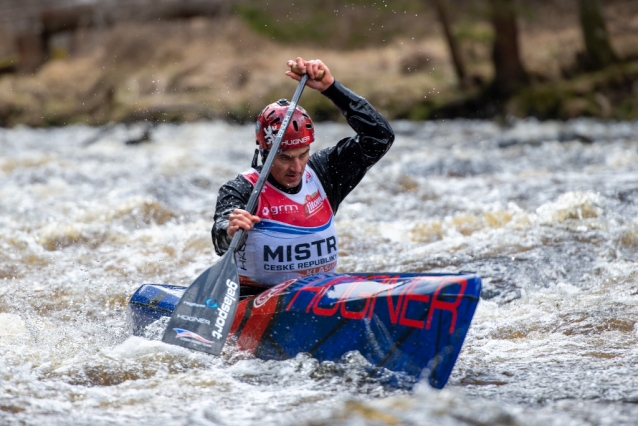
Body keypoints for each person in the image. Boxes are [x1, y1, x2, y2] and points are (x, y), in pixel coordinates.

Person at [211, 57, 394, 294]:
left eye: (303, 154)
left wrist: (332, 89)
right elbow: (220, 239)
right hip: (255, 300)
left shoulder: (325, 173)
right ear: (265, 154)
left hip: (320, 295)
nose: (296, 167)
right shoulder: (241, 189)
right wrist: (230, 229)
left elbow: (380, 138)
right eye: (285, 158)